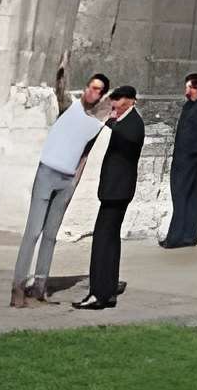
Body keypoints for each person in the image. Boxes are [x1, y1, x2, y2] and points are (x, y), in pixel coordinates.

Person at [11, 69, 109, 307]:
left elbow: (84, 155)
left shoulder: (96, 123)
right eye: (90, 86)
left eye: (98, 90)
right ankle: (18, 287)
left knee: (51, 236)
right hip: (47, 173)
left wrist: (74, 183)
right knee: (33, 232)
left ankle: (40, 287)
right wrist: (62, 68)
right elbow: (60, 89)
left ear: (102, 95)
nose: (91, 92)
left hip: (66, 180)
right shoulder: (70, 106)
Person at [75, 85, 143, 310]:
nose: (115, 103)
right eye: (114, 99)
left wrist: (110, 122)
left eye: (119, 99)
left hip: (118, 191)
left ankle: (99, 293)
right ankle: (109, 290)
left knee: (103, 241)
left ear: (131, 101)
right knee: (110, 240)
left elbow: (130, 140)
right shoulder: (124, 122)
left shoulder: (133, 123)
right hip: (113, 190)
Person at [160, 72, 197, 248]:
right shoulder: (189, 107)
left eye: (190, 87)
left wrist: (192, 155)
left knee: (186, 196)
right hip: (184, 159)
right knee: (185, 196)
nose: (186, 91)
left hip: (192, 161)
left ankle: (178, 237)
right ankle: (185, 236)